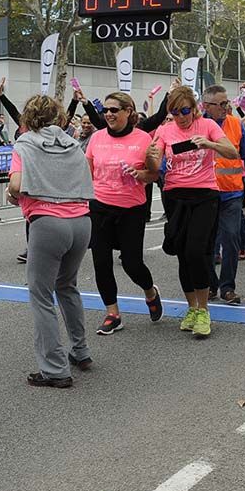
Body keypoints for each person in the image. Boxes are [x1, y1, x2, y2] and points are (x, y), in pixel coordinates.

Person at [7, 96, 95, 388]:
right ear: (58, 116)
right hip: (81, 219)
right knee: (68, 286)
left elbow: (17, 186)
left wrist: (12, 194)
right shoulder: (72, 143)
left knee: (41, 295)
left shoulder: (24, 143)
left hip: (47, 221)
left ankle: (55, 368)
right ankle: (80, 351)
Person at [155, 86, 237, 337]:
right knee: (182, 253)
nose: (181, 116)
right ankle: (192, 308)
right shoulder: (165, 130)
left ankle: (203, 310)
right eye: (175, 112)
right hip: (175, 196)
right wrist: (150, 158)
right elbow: (155, 159)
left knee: (196, 251)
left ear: (194, 107)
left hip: (205, 195)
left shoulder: (208, 126)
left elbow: (232, 153)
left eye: (186, 110)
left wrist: (209, 143)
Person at [85, 92, 163, 334]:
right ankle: (112, 313)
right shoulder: (96, 138)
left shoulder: (142, 139)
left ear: (128, 112)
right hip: (99, 207)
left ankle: (150, 292)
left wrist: (141, 174)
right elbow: (88, 173)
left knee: (132, 263)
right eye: (106, 110)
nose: (108, 114)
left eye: (114, 110)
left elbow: (155, 175)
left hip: (131, 209)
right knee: (101, 263)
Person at [203, 86, 245, 306]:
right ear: (206, 106)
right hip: (205, 194)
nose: (227, 107)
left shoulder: (235, 124)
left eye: (227, 102)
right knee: (207, 243)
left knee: (230, 239)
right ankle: (209, 284)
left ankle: (228, 287)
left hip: (232, 193)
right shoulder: (197, 125)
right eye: (222, 104)